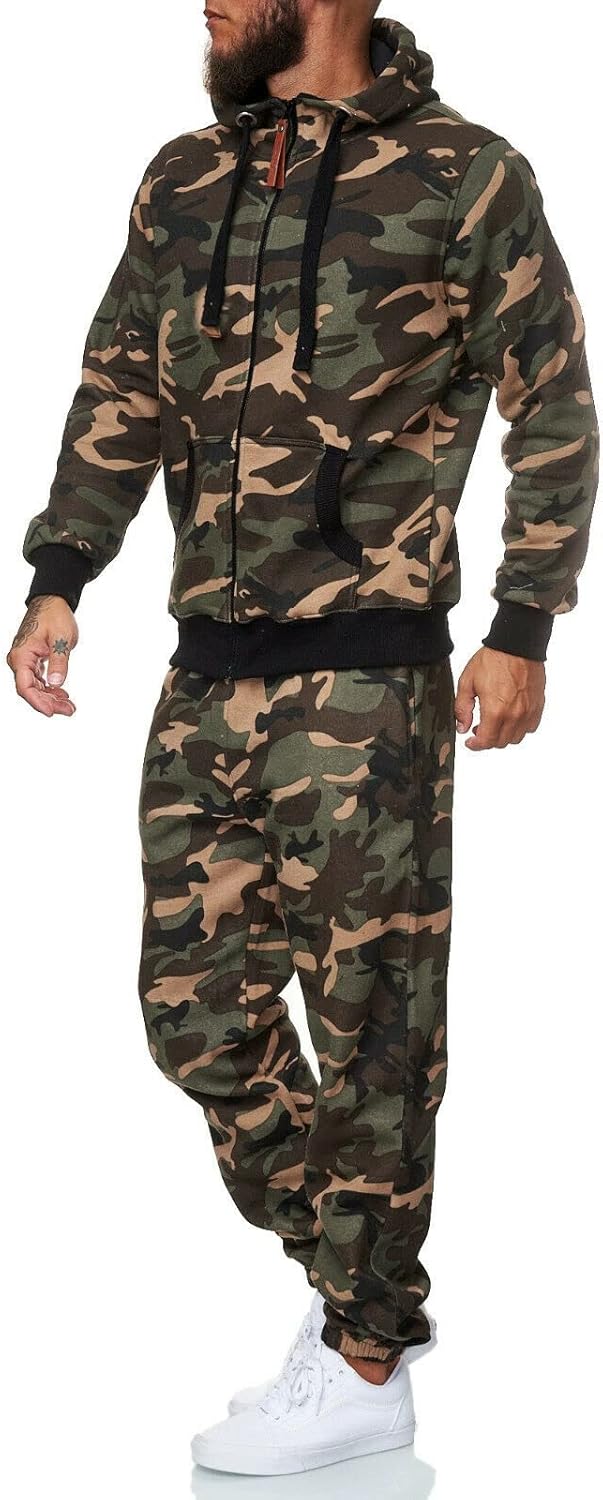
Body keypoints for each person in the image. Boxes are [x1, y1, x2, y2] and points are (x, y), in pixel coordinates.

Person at [7, 0, 599, 1477]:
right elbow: (121, 384)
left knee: (374, 1030)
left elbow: (552, 403)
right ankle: (362, 1292)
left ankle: (363, 1359)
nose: (204, 1)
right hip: (203, 674)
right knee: (194, 1018)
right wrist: (61, 577)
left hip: (367, 684)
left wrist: (523, 622)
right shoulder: (185, 176)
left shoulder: (463, 172)